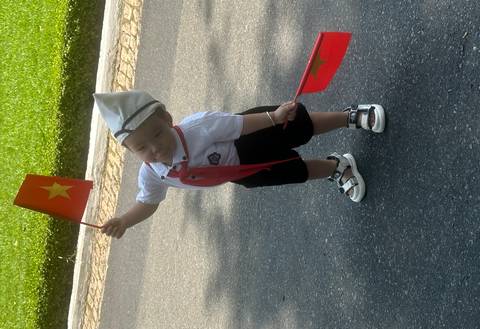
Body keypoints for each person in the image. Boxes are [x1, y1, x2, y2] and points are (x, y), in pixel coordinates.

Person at [94, 90, 385, 239]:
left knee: (300, 127)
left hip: (248, 136)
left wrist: (275, 116)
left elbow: (239, 124)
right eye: (142, 147)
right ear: (130, 151)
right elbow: (148, 202)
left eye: (157, 134)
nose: (155, 148)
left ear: (168, 119)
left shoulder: (198, 127)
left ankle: (349, 117)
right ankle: (336, 167)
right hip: (241, 172)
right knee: (293, 172)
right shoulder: (153, 174)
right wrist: (123, 221)